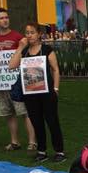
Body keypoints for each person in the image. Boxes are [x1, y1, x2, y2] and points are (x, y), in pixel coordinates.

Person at [9, 22, 64, 162]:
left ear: (39, 34)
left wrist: (56, 88)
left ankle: (59, 151)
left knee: (52, 121)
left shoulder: (47, 50)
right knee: (36, 122)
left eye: (32, 32)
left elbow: (56, 69)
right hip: (30, 93)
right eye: (27, 32)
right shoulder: (25, 51)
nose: (29, 35)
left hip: (47, 92)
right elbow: (12, 66)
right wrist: (20, 47)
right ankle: (42, 150)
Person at [0, 7, 36, 152]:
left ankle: (32, 142)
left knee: (24, 112)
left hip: (17, 81)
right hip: (1, 81)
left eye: (6, 17)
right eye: (1, 18)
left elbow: (25, 56)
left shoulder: (18, 37)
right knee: (8, 113)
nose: (5, 20)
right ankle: (14, 141)